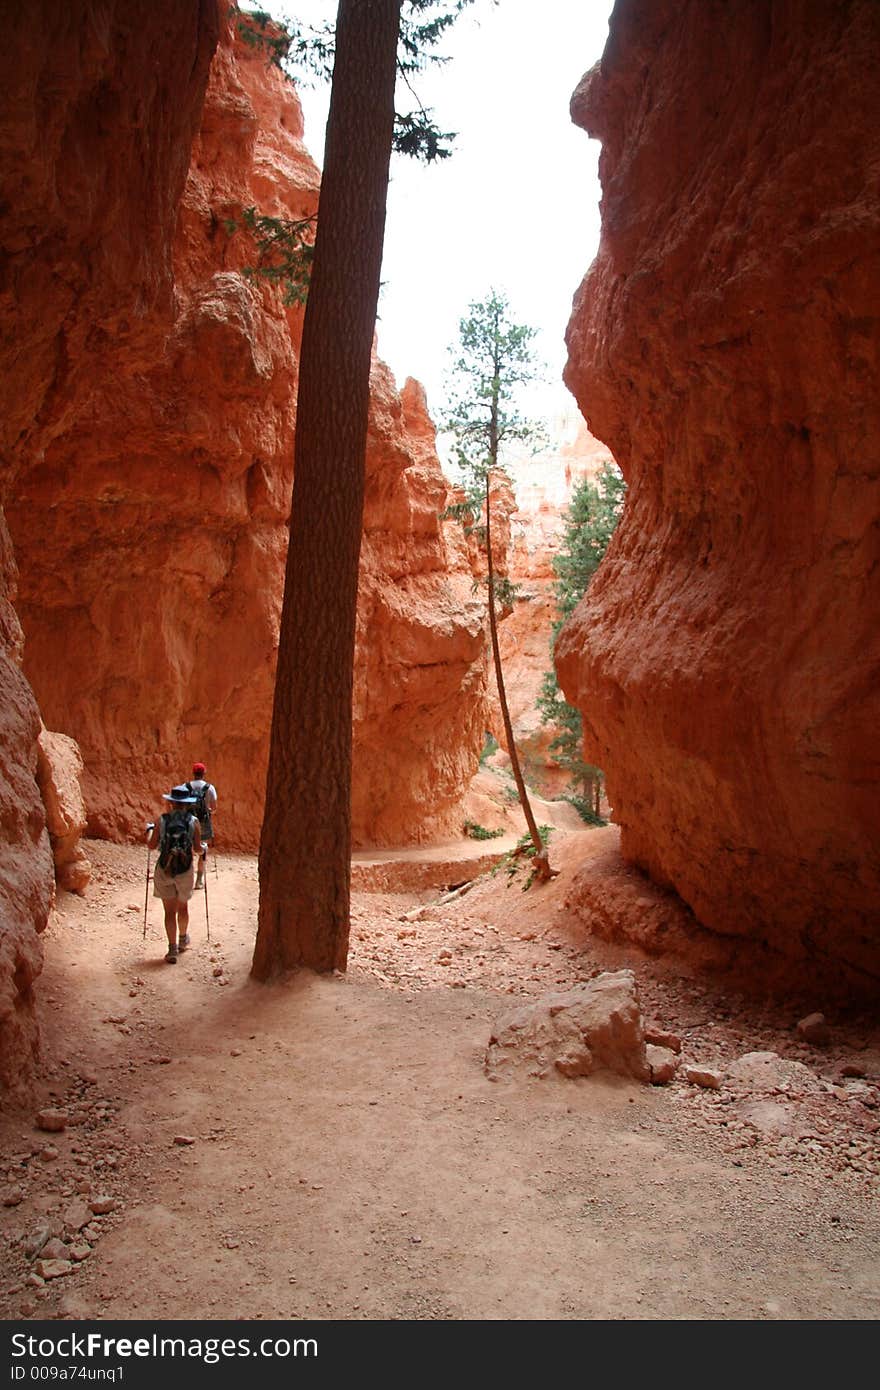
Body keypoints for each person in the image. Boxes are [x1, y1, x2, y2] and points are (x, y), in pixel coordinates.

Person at [147, 785, 202, 964]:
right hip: (184, 870)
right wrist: (204, 850)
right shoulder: (194, 822)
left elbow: (151, 846)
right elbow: (197, 849)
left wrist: (149, 833)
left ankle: (171, 950)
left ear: (171, 803)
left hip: (164, 869)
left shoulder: (161, 820)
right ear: (187, 804)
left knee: (169, 912)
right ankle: (183, 939)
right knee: (183, 908)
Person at [185, 761, 217, 889]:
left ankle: (187, 877)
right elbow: (214, 807)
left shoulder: (186, 787)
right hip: (203, 822)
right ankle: (199, 880)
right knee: (202, 848)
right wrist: (209, 812)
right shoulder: (210, 788)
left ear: (193, 773)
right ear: (204, 773)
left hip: (188, 821)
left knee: (188, 848)